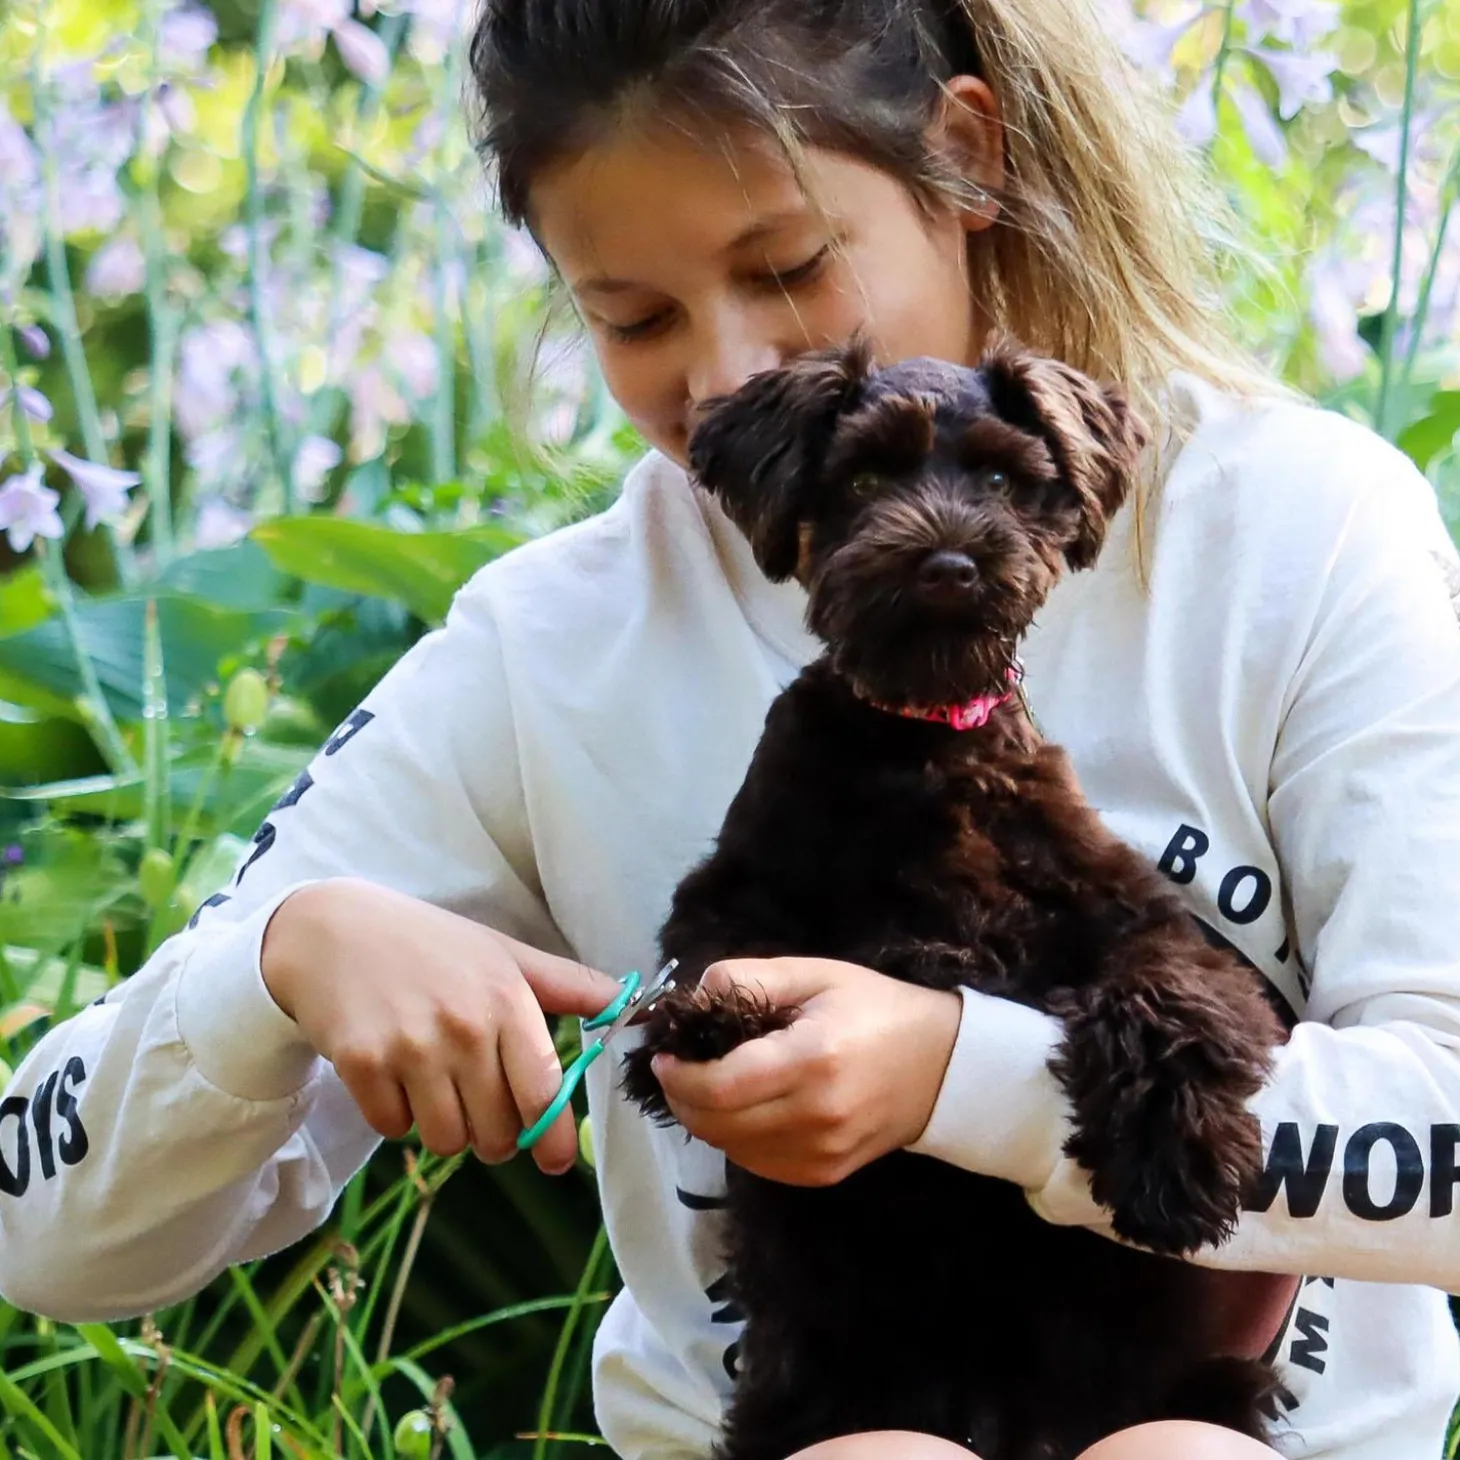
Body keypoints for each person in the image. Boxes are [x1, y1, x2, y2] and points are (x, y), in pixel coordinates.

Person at [2, 0, 1459, 1456]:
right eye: (632, 317)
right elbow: (43, 1239)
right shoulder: (549, 650)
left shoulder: (1300, 536)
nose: (727, 377)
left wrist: (961, 1076)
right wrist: (277, 964)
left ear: (965, 156)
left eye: (789, 268)